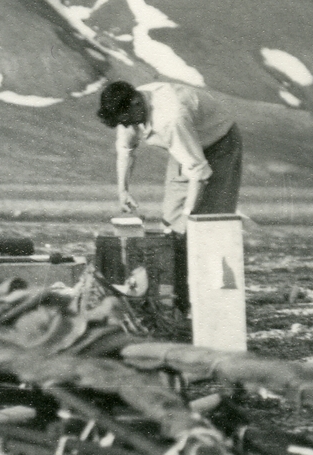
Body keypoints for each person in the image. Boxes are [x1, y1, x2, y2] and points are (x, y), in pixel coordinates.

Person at [96, 80, 242, 314]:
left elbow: (199, 171)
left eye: (128, 120)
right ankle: (176, 304)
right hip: (187, 146)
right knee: (170, 227)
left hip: (218, 141)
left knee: (208, 226)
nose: (127, 126)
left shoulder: (171, 119)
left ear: (135, 103)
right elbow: (126, 149)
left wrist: (188, 215)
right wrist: (123, 191)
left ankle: (213, 307)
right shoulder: (130, 113)